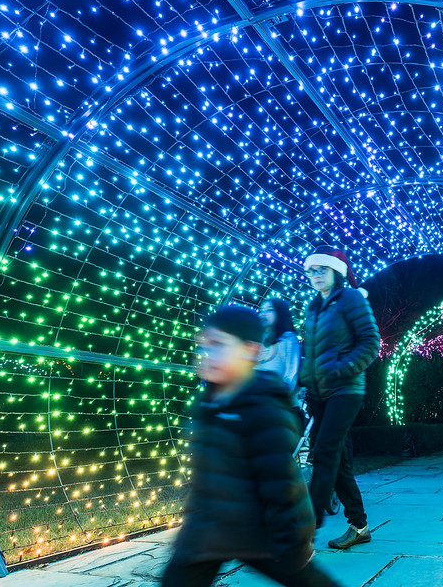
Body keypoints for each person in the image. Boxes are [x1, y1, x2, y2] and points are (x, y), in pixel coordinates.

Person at [162, 306, 339, 587]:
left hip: (259, 527)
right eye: (205, 346)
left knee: (307, 580)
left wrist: (293, 544)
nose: (208, 355)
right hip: (209, 527)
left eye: (219, 345)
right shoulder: (208, 402)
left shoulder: (264, 407)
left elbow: (281, 483)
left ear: (250, 350)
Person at [299, 246, 380, 550]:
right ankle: (359, 526)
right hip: (319, 393)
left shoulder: (350, 299)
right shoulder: (313, 306)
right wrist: (304, 379)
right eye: (310, 271)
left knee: (323, 453)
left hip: (346, 390)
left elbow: (371, 342)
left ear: (336, 270)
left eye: (321, 269)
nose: (315, 276)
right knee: (338, 460)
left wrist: (343, 368)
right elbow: (310, 351)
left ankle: (305, 531)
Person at [256, 298, 301, 393]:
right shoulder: (257, 338)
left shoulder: (287, 339)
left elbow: (291, 375)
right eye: (262, 310)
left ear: (279, 313)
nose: (263, 313)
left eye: (270, 310)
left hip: (274, 401)